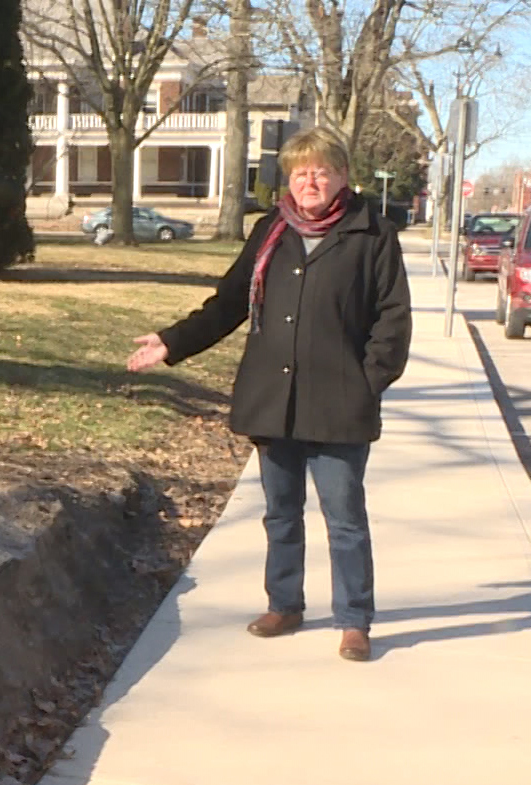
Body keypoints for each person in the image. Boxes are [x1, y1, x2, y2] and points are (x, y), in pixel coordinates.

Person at [125, 127, 412, 662]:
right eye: (301, 171)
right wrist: (171, 342)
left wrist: (367, 383)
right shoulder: (271, 231)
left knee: (344, 517)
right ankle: (285, 602)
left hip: (339, 405)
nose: (310, 180)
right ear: (289, 178)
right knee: (281, 512)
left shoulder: (373, 234)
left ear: (342, 178)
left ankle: (354, 619)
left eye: (321, 170)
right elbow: (228, 303)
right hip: (272, 398)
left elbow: (393, 321)